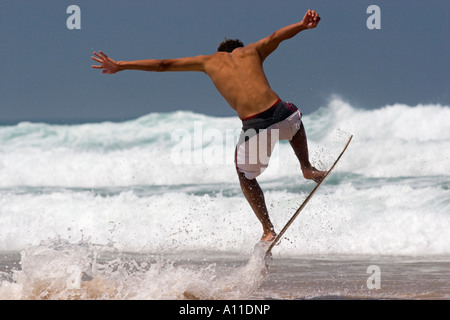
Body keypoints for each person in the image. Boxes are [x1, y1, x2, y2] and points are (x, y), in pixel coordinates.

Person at [92, 9, 325, 242]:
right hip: (282, 115)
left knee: (245, 176)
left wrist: (121, 65)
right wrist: (302, 25)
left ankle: (267, 229)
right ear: (239, 48)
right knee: (294, 113)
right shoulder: (252, 50)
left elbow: (163, 64)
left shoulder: (208, 61)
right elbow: (276, 36)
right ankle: (306, 167)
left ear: (220, 53)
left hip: (254, 127)